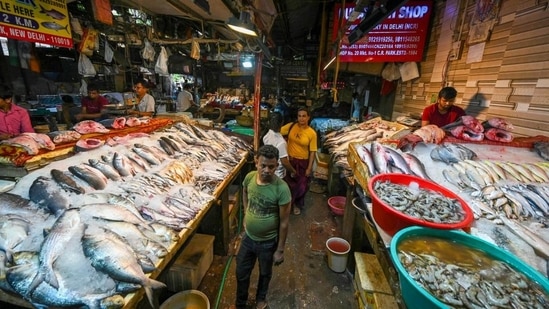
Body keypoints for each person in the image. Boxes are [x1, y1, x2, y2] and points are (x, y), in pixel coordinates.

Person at [233, 144, 291, 309]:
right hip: (248, 238)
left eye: (271, 167)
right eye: (263, 165)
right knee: (241, 272)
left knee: (265, 273)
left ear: (277, 166)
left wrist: (280, 250)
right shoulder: (250, 177)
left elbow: (285, 222)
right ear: (256, 162)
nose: (266, 170)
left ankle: (260, 299)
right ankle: (240, 303)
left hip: (267, 242)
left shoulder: (282, 190)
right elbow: (244, 191)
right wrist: (246, 213)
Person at [281, 107, 317, 215]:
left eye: (304, 116)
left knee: (302, 186)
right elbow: (278, 131)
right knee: (289, 184)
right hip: (290, 161)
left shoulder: (312, 133)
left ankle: (297, 203)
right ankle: (289, 205)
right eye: (299, 116)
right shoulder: (291, 126)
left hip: (303, 162)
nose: (301, 118)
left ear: (308, 117)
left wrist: (309, 168)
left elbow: (312, 152)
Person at [262, 112, 297, 179]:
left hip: (268, 170)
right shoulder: (281, 142)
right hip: (277, 175)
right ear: (282, 123)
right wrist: (293, 171)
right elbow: (284, 162)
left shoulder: (267, 135)